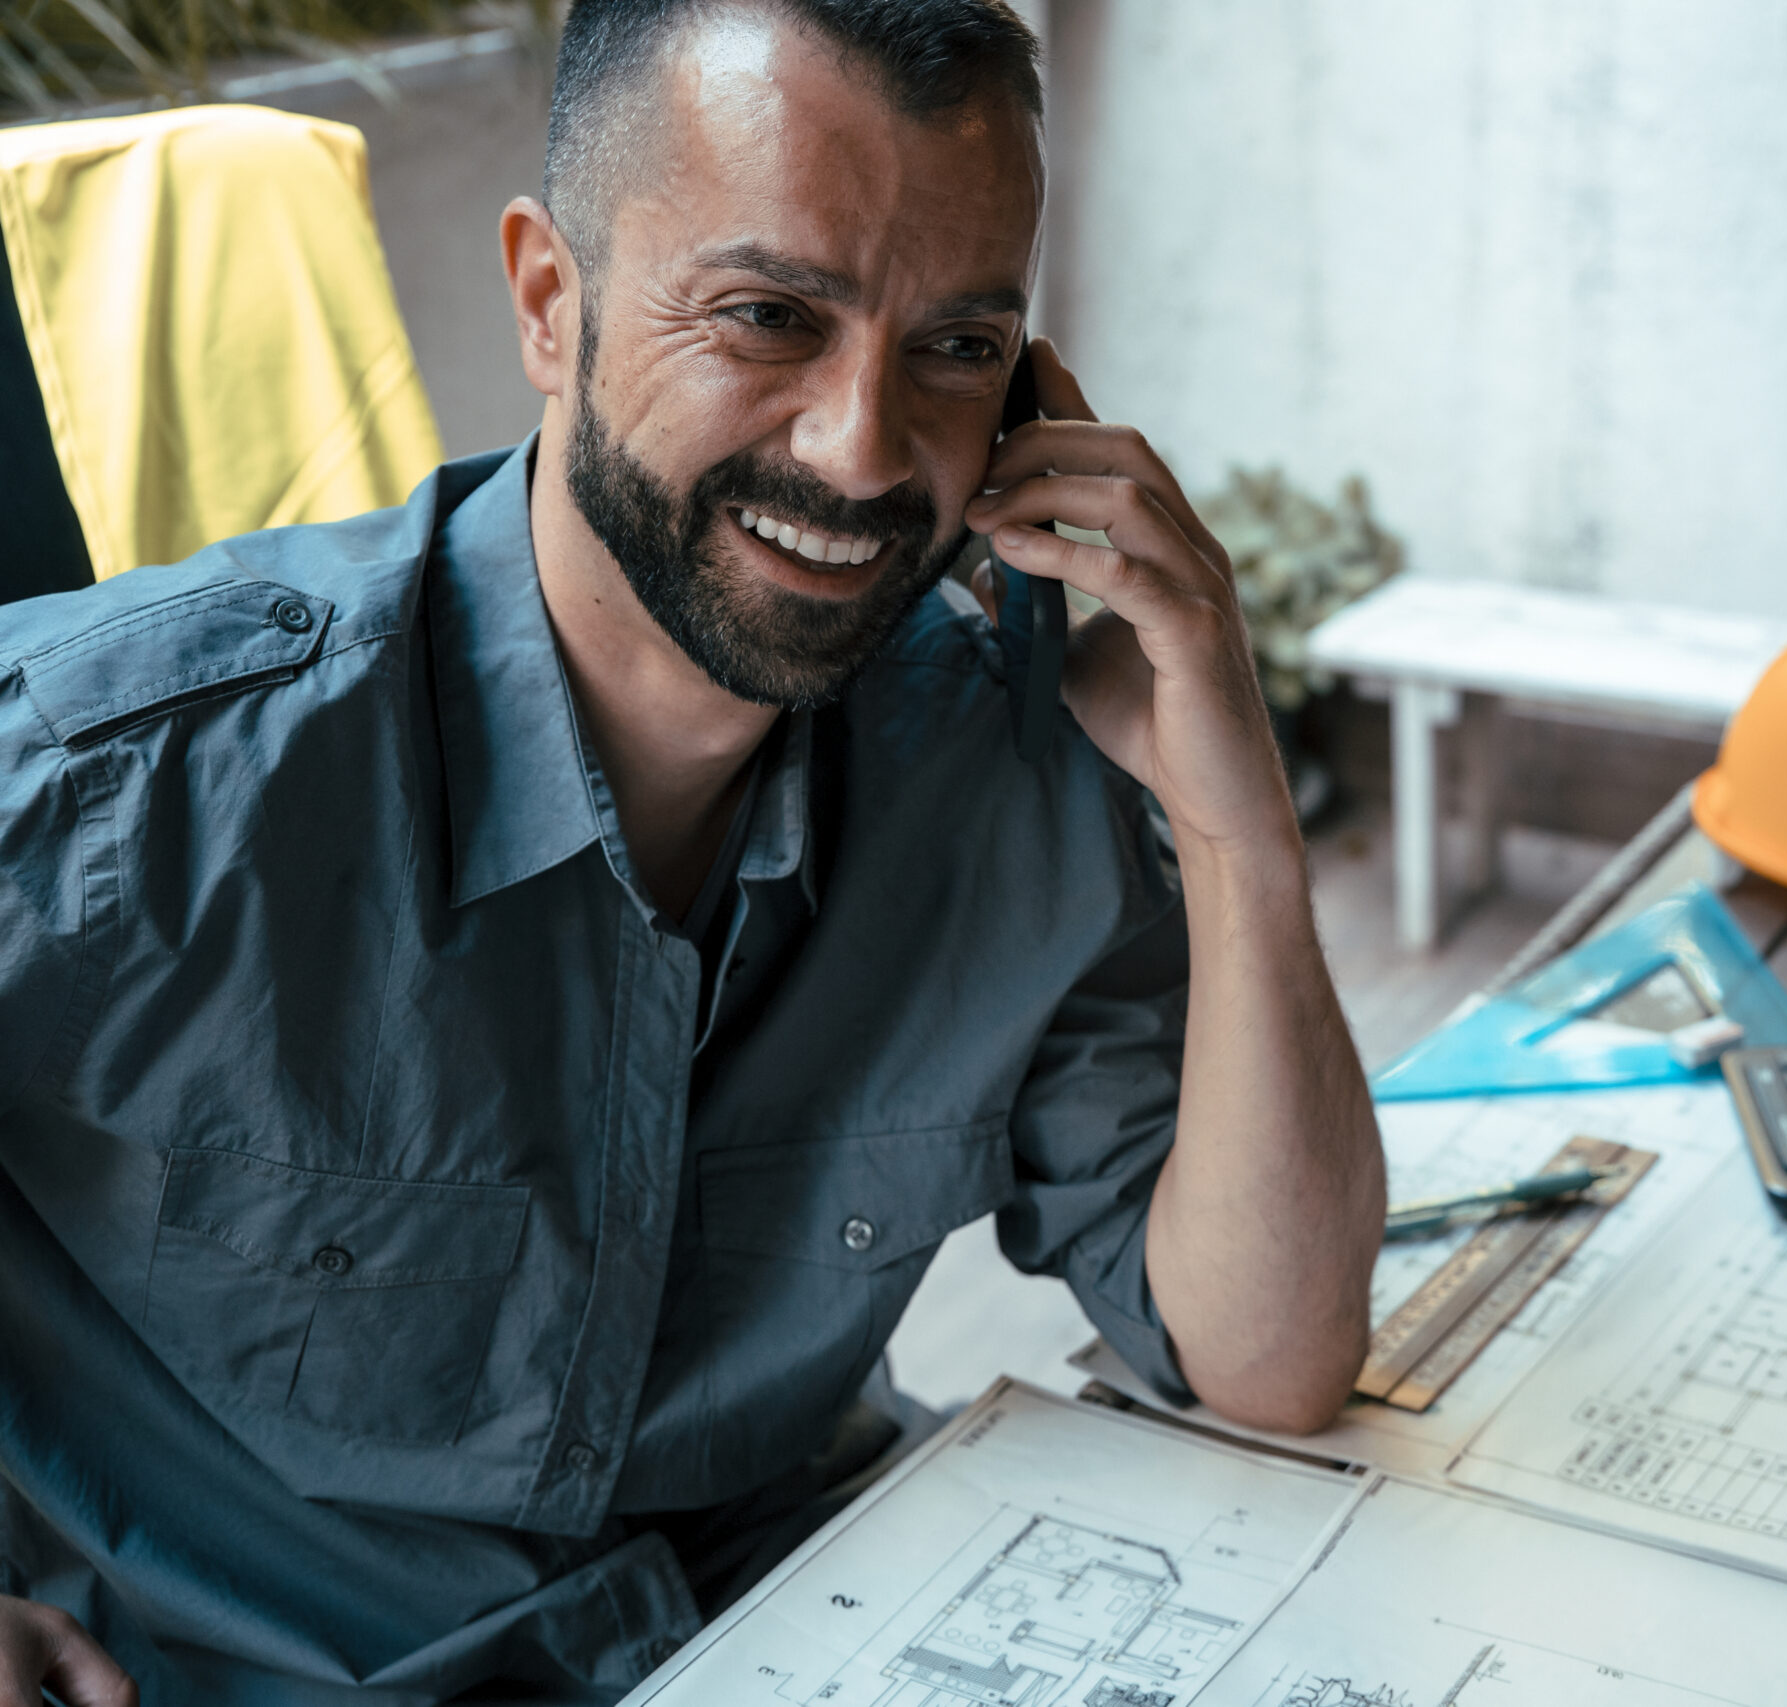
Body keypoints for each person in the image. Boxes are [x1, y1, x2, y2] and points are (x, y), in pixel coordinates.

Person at [0, 1, 1384, 1700]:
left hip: (810, 1632)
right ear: (549, 303)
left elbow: (1270, 1359)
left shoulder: (1000, 754)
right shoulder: (127, 774)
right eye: (769, 317)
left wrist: (1238, 822)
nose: (865, 449)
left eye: (956, 347)